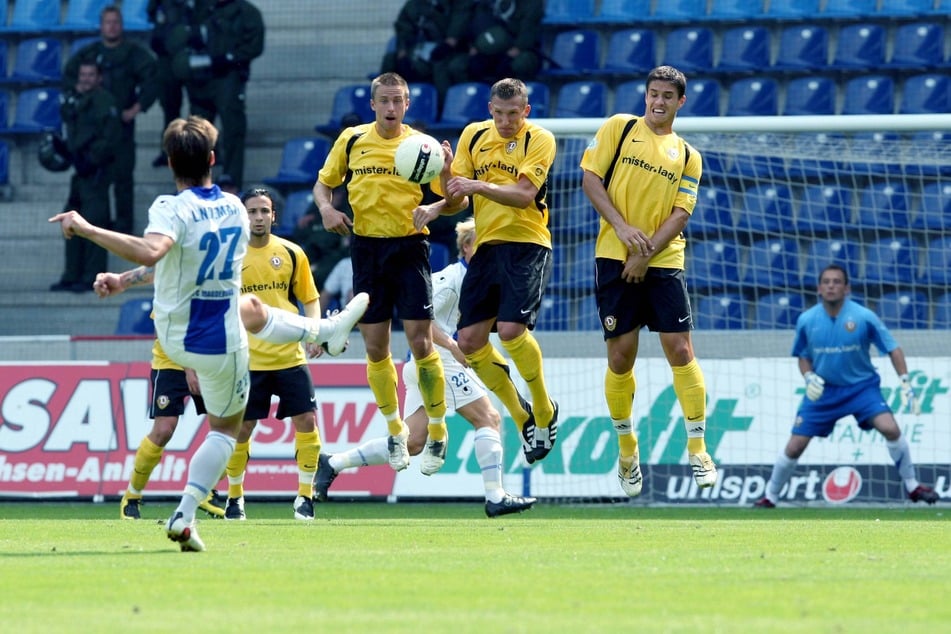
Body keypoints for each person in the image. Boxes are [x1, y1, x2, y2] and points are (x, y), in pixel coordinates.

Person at [51, 115, 368, 552]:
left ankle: (184, 516)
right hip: (217, 334)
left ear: (168, 163)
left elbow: (159, 255)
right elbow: (157, 251)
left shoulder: (171, 207)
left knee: (250, 315)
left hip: (177, 332)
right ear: (213, 159)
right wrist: (96, 238)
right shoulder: (234, 209)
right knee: (226, 424)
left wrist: (113, 267)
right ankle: (325, 329)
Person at [314, 218, 536, 517]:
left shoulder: (480, 279)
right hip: (437, 362)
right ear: (467, 246)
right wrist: (454, 346)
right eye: (483, 244)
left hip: (424, 365)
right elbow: (421, 321)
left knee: (414, 441)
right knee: (489, 418)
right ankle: (495, 496)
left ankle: (333, 462)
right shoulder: (449, 279)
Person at [313, 72, 468, 476]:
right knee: (377, 348)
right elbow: (322, 186)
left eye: (398, 100)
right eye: (384, 100)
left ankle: (436, 430)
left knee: (420, 343)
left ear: (407, 104)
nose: (391, 108)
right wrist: (327, 209)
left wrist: (448, 176)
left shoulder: (421, 147)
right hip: (365, 250)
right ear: (373, 103)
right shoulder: (352, 140)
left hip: (409, 247)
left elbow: (454, 205)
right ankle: (396, 432)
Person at [579, 65, 717, 497]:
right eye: (653, 94)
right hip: (613, 255)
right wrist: (622, 230)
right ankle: (627, 451)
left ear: (681, 102)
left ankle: (698, 448)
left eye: (667, 96)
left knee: (681, 349)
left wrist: (645, 252)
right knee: (621, 359)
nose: (658, 102)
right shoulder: (619, 129)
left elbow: (682, 213)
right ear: (646, 95)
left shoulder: (688, 155)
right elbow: (589, 179)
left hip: (663, 256)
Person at [434, 77, 558, 466]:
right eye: (500, 113)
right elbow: (456, 200)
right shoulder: (473, 135)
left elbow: (524, 196)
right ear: (490, 110)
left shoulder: (540, 139)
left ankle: (543, 408)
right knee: (469, 341)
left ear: (526, 111)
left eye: (514, 113)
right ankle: (523, 416)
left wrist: (477, 185)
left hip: (527, 243)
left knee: (510, 331)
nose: (506, 121)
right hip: (487, 246)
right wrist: (445, 172)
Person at [754, 265, 940, 508]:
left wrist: (905, 381)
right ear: (819, 288)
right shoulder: (807, 320)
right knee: (795, 445)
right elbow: (802, 356)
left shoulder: (864, 317)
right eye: (827, 282)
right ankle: (771, 497)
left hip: (861, 388)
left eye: (837, 281)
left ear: (846, 288)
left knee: (890, 429)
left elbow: (893, 348)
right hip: (824, 392)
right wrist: (809, 377)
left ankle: (913, 487)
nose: (831, 285)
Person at [222, 187, 324, 522]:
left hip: (290, 356)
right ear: (243, 215)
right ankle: (235, 499)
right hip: (249, 360)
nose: (259, 218)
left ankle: (305, 497)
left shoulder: (293, 253)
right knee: (242, 429)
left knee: (307, 421)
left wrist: (315, 332)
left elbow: (309, 298)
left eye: (264, 211)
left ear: (274, 215)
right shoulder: (231, 258)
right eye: (252, 211)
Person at [64, 5, 158, 235]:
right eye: (107, 22)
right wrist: (79, 93)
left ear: (122, 25)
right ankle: (98, 227)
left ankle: (124, 229)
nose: (112, 26)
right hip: (94, 134)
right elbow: (69, 77)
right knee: (96, 183)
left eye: (116, 22)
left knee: (123, 180)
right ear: (101, 25)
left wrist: (135, 109)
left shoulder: (134, 53)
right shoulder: (89, 54)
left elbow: (152, 80)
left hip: (122, 131)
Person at [119, 339, 226, 520]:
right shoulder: (167, 308)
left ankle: (207, 491)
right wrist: (189, 370)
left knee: (231, 428)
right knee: (163, 430)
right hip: (170, 364)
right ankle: (132, 496)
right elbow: (168, 332)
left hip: (208, 365)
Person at [50, 61, 122, 293]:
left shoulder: (105, 101)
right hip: (79, 173)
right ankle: (71, 275)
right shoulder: (77, 99)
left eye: (91, 74)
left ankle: (92, 277)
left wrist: (91, 160)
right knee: (69, 224)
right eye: (83, 74)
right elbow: (68, 122)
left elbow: (110, 137)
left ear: (99, 77)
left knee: (94, 226)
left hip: (96, 172)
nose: (86, 79)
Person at [181, 0, 265, 190]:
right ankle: (196, 181)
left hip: (229, 76)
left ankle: (231, 182)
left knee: (233, 129)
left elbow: (255, 45)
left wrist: (229, 58)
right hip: (201, 78)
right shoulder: (199, 8)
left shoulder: (247, 12)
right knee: (196, 132)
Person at [381, 0, 469, 108]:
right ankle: (383, 105)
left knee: (440, 64)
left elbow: (460, 23)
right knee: (391, 61)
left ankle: (443, 108)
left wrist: (449, 42)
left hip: (453, 50)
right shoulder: (415, 4)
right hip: (422, 49)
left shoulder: (459, 3)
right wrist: (402, 54)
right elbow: (403, 28)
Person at [147, 0, 204, 168]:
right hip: (167, 58)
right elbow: (153, 16)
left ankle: (201, 151)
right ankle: (169, 152)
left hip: (192, 55)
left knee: (199, 107)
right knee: (169, 106)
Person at [446, 0, 542, 86]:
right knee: (457, 65)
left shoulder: (531, 3)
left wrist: (509, 56)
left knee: (521, 64)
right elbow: (476, 26)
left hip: (515, 50)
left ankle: (515, 99)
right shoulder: (485, 3)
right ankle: (472, 97)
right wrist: (475, 47)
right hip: (485, 49)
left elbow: (527, 34)